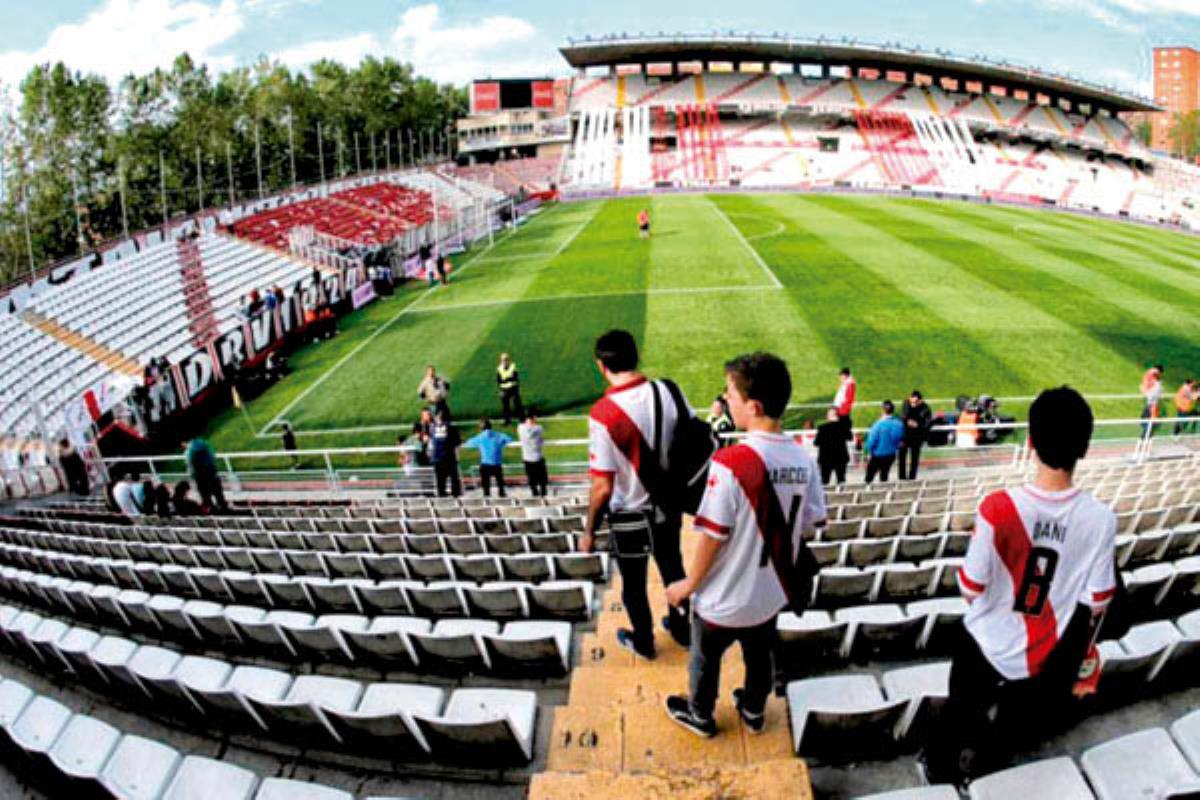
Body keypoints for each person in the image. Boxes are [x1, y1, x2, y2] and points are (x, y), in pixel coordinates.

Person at [920, 386, 1116, 787]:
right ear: (1084, 448)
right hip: (1044, 652)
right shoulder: (1101, 519)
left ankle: (941, 771)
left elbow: (970, 589)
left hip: (985, 641)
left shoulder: (998, 508)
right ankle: (987, 775)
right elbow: (1097, 601)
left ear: (1030, 442)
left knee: (962, 711)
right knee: (1012, 724)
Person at [662, 352, 826, 738]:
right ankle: (753, 711)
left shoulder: (729, 462)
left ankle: (701, 715)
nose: (726, 399)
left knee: (705, 660)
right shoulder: (804, 460)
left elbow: (712, 537)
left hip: (723, 598)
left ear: (753, 407)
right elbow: (810, 528)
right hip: (769, 595)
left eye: (730, 394)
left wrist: (687, 585)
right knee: (758, 657)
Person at [581, 329, 691, 659]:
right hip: (669, 503)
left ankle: (644, 642)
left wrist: (589, 531)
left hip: (628, 513)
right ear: (635, 355)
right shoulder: (669, 390)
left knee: (634, 583)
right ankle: (683, 630)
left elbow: (602, 486)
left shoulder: (603, 414)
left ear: (601, 366)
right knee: (674, 569)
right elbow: (691, 438)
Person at [465, 419, 512, 498]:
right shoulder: (498, 435)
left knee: (486, 484)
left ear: (480, 428)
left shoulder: (479, 437)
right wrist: (502, 444)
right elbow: (509, 439)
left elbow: (469, 443)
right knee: (500, 482)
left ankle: (487, 495)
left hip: (485, 464)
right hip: (497, 463)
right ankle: (502, 493)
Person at [864, 401, 904, 484]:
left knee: (869, 477)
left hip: (877, 455)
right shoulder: (899, 424)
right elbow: (899, 440)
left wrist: (867, 451)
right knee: (884, 476)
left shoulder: (877, 425)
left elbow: (871, 442)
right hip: (891, 454)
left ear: (882, 410)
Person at [185, 437, 227, 512]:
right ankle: (223, 506)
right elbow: (212, 457)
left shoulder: (189, 451)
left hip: (199, 476)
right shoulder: (204, 445)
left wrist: (192, 475)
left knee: (205, 495)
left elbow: (190, 466)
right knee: (218, 493)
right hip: (211, 472)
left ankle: (211, 508)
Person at [899, 390, 933, 481]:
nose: (913, 403)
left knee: (914, 458)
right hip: (905, 435)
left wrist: (918, 425)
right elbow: (903, 416)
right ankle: (902, 477)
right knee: (902, 456)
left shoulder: (926, 408)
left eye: (915, 402)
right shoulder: (906, 403)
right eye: (911, 401)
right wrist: (908, 420)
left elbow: (928, 423)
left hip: (917, 436)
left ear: (920, 401)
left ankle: (912, 477)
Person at [429, 410, 462, 497]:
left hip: (438, 458)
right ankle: (455, 495)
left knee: (441, 481)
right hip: (449, 458)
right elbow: (458, 443)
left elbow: (431, 442)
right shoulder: (451, 428)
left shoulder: (432, 429)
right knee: (454, 479)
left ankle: (443, 495)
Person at [815, 406, 850, 485]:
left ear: (828, 416)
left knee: (824, 481)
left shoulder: (822, 428)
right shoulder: (843, 427)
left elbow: (816, 443)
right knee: (841, 480)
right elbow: (849, 437)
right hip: (841, 457)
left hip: (826, 458)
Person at [519, 411, 549, 497]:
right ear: (532, 418)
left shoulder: (520, 428)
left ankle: (535, 497)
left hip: (527, 459)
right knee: (542, 481)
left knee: (532, 481)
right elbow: (541, 438)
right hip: (538, 458)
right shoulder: (539, 428)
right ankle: (543, 496)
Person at [496, 353, 524, 426]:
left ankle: (521, 419)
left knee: (517, 405)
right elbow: (499, 381)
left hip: (513, 388)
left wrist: (506, 380)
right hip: (504, 389)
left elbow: (515, 378)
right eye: (503, 360)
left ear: (509, 360)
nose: (505, 361)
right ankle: (507, 420)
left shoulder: (513, 367)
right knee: (505, 406)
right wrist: (501, 389)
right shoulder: (499, 369)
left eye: (506, 359)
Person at [1141, 364, 1163, 439]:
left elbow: (1150, 396)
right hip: (1152, 406)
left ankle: (1145, 439)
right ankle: (1146, 437)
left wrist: (1144, 391)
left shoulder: (1156, 386)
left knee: (1148, 424)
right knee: (1146, 423)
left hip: (1152, 406)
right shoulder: (1157, 385)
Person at [833, 367, 856, 438]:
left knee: (842, 427)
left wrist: (839, 409)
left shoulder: (849, 384)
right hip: (842, 409)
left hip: (842, 411)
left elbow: (848, 399)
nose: (840, 377)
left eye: (841, 375)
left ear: (845, 375)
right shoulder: (847, 383)